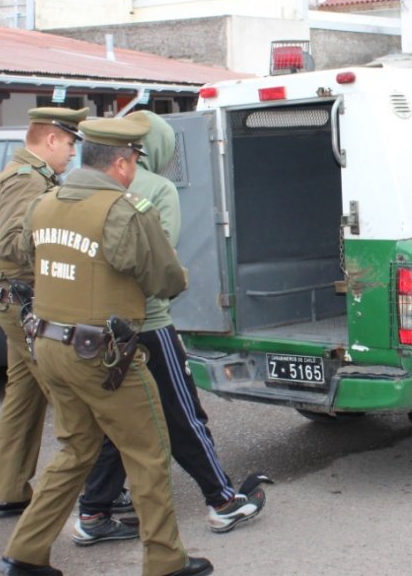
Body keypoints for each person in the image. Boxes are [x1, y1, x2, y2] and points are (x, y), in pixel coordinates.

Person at [0, 117, 211, 576]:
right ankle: (166, 560)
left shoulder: (44, 202)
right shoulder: (126, 209)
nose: (134, 169)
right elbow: (164, 280)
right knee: (148, 452)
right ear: (121, 163)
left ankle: (24, 554)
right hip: (104, 355)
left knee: (76, 450)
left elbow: (20, 256)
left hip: (49, 345)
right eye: (133, 160)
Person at [77, 111, 270, 534]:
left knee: (116, 417)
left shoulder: (77, 187)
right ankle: (222, 500)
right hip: (148, 323)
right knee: (182, 413)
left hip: (94, 327)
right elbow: (159, 256)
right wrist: (174, 285)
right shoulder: (157, 189)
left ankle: (93, 511)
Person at [0, 107, 133, 532]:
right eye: (69, 144)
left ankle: (10, 492)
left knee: (24, 399)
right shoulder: (28, 180)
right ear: (51, 139)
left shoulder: (26, 175)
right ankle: (95, 495)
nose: (72, 153)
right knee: (75, 404)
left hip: (16, 302)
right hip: (27, 302)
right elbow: (10, 246)